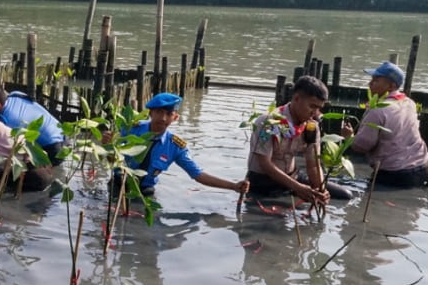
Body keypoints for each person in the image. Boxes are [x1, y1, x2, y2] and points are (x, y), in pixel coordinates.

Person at [115, 93, 249, 197]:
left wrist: (233, 186)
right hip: (119, 183)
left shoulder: (175, 146)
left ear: (175, 118)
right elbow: (111, 152)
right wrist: (107, 142)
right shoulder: (130, 129)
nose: (163, 118)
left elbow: (198, 175)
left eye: (169, 114)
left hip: (145, 190)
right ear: (150, 113)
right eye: (159, 112)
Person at [247, 75, 351, 204]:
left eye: (319, 108)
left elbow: (313, 165)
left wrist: (321, 190)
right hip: (264, 182)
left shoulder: (311, 127)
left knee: (345, 195)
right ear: (296, 99)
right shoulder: (270, 122)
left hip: (294, 177)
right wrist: (297, 188)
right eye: (312, 106)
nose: (315, 112)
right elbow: (265, 164)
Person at [340, 61, 428, 188]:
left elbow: (362, 146)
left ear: (391, 86)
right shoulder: (409, 103)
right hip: (424, 168)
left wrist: (348, 137)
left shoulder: (377, 110)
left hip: (395, 175)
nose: (370, 84)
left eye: (376, 80)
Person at [0, 82, 64, 165]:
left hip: (53, 148)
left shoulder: (7, 121)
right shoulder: (15, 94)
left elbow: (9, 149)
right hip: (61, 131)